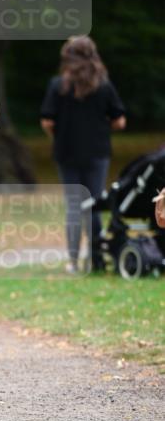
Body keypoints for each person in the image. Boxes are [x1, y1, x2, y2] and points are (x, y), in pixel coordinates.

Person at [40, 36, 126, 273]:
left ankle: (73, 261)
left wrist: (58, 136)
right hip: (97, 152)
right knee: (93, 204)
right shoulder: (104, 85)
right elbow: (120, 120)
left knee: (74, 207)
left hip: (66, 152)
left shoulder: (58, 85)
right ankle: (96, 259)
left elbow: (47, 121)